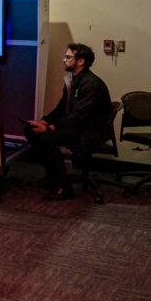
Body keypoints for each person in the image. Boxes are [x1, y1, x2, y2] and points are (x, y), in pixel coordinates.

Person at [25, 42, 113, 200]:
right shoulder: (73, 80)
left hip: (89, 132)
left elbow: (78, 116)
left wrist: (50, 128)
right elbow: (62, 108)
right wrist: (45, 121)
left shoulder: (91, 84)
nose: (64, 60)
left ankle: (63, 187)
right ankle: (52, 176)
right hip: (77, 127)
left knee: (46, 137)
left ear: (81, 61)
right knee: (31, 130)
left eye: (68, 57)